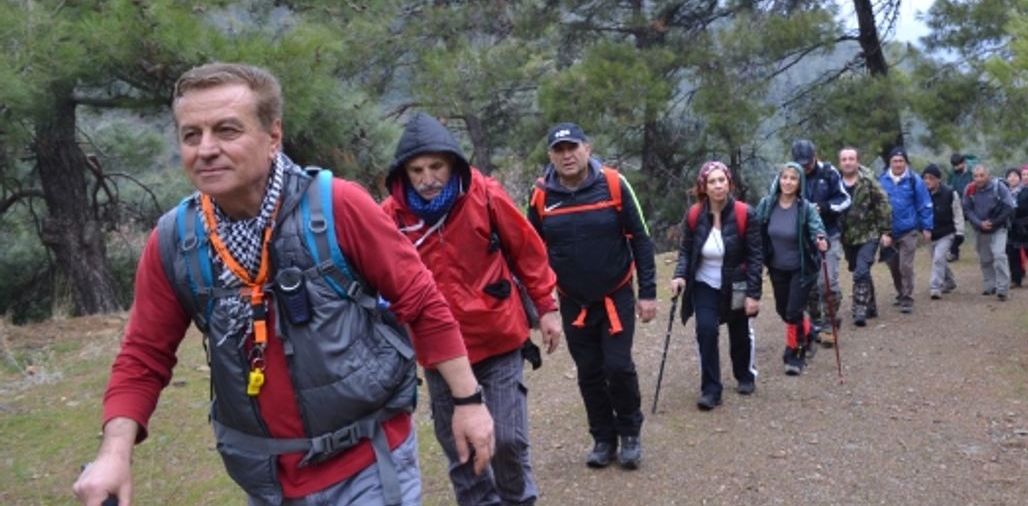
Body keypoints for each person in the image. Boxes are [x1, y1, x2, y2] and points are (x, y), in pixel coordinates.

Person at [73, 63, 494, 506]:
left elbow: (422, 302)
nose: (206, 149)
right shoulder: (175, 240)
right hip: (267, 480)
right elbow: (144, 354)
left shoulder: (338, 206)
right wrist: (114, 453)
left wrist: (468, 401)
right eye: (191, 135)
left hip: (369, 459)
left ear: (273, 136)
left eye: (227, 130)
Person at [381, 112, 562, 505]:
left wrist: (547, 307)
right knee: (460, 445)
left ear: (452, 163)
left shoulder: (484, 194)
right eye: (417, 170)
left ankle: (518, 499)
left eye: (436, 166)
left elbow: (527, 251)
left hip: (498, 335)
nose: (428, 178)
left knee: (508, 439)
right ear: (403, 173)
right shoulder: (391, 217)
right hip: (439, 349)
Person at [526, 123, 657, 470]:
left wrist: (648, 293)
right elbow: (531, 252)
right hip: (572, 300)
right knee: (589, 371)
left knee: (618, 366)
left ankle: (630, 433)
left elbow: (641, 238)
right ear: (550, 156)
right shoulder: (540, 196)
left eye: (573, 147)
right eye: (559, 150)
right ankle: (603, 438)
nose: (567, 155)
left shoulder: (613, 183)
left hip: (616, 295)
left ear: (588, 148)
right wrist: (541, 305)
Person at [669, 161, 764, 409]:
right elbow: (686, 251)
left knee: (739, 330)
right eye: (712, 181)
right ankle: (711, 389)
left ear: (729, 183)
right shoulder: (694, 215)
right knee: (706, 331)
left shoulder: (745, 213)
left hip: (737, 282)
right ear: (704, 186)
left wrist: (754, 294)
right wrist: (680, 276)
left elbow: (755, 257)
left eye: (722, 180)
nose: (718, 185)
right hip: (704, 283)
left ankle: (744, 374)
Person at [756, 161, 828, 375]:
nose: (788, 182)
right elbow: (755, 227)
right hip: (776, 266)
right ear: (778, 180)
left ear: (800, 183)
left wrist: (820, 239)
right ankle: (809, 332)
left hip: (802, 268)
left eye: (793, 178)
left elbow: (817, 228)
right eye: (784, 177)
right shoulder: (767, 204)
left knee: (793, 311)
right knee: (783, 310)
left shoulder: (805, 208)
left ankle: (795, 354)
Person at [790, 139, 851, 346]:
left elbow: (845, 200)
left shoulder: (829, 173)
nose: (805, 168)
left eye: (808, 163)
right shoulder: (790, 175)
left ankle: (829, 323)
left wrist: (824, 207)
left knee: (827, 283)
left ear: (815, 156)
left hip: (829, 234)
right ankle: (815, 322)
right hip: (802, 238)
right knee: (808, 285)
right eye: (801, 164)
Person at [836, 147, 893, 327]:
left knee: (861, 271)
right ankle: (871, 304)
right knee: (859, 270)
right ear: (840, 163)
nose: (847, 162)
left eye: (851, 159)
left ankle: (859, 310)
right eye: (844, 159)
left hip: (869, 234)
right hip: (847, 237)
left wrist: (886, 232)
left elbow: (883, 204)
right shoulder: (834, 182)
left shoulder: (868, 180)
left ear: (857, 161)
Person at [878, 147, 933, 314]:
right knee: (893, 266)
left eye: (901, 161)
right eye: (895, 161)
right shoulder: (881, 180)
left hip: (908, 230)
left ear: (906, 163)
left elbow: (924, 204)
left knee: (905, 266)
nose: (898, 164)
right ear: (890, 163)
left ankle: (907, 297)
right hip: (888, 232)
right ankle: (901, 292)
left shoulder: (914, 180)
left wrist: (927, 227)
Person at [961, 164, 1016, 301]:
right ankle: (990, 285)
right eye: (975, 176)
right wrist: (979, 223)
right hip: (980, 228)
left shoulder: (999, 187)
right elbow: (967, 209)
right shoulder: (969, 189)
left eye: (982, 175)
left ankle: (1002, 288)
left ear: (988, 176)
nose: (978, 179)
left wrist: (994, 222)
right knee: (985, 258)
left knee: (999, 255)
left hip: (999, 227)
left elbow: (1009, 206)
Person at [921, 164, 961, 299]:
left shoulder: (949, 193)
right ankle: (949, 281)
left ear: (938, 179)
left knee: (938, 259)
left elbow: (958, 213)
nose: (927, 181)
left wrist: (959, 233)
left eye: (931, 178)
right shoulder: (921, 194)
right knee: (938, 260)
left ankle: (935, 287)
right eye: (925, 178)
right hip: (929, 234)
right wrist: (922, 229)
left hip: (946, 232)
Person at [946, 153, 975, 262]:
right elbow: (949, 187)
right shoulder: (952, 174)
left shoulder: (971, 173)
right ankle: (954, 252)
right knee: (956, 230)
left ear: (963, 163)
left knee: (977, 226)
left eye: (958, 165)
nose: (956, 167)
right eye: (954, 165)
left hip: (971, 205)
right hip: (956, 205)